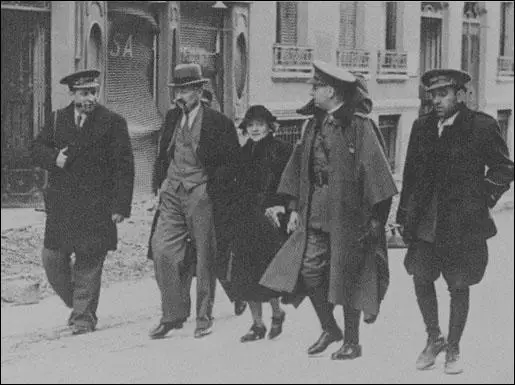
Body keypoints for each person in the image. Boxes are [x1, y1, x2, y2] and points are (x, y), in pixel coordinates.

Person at [263, 60, 397, 360]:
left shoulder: (359, 125)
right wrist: (295, 206)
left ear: (333, 91)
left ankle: (352, 341)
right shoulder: (313, 123)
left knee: (347, 274)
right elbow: (300, 167)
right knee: (310, 271)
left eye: (317, 86)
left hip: (350, 215)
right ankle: (329, 327)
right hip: (315, 211)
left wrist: (377, 221)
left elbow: (378, 174)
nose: (312, 90)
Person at [396, 69, 514, 375]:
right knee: (421, 277)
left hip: (462, 223)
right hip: (426, 221)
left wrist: (482, 198)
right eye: (433, 95)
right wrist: (403, 216)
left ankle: (454, 347)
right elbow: (410, 175)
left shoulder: (481, 126)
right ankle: (434, 337)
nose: (436, 100)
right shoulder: (422, 127)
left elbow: (504, 168)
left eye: (443, 94)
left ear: (460, 95)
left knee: (458, 285)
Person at [31, 69, 135, 335]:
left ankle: (83, 318)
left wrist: (120, 207)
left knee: (89, 261)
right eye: (83, 92)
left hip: (96, 205)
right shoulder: (57, 119)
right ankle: (79, 305)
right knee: (52, 258)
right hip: (63, 206)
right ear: (72, 94)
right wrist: (54, 157)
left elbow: (124, 167)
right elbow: (36, 148)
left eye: (93, 92)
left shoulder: (113, 122)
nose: (89, 97)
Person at [149, 63, 241, 340]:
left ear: (200, 91)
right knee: (162, 249)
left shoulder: (219, 122)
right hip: (172, 192)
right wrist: (161, 185)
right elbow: (164, 153)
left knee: (205, 256)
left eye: (186, 90)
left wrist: (214, 191)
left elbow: (232, 164)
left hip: (201, 193)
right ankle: (173, 315)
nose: (180, 95)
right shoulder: (171, 117)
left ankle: (203, 316)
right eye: (177, 89)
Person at [228, 105, 293, 342]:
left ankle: (277, 313)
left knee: (267, 270)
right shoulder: (243, 152)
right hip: (245, 219)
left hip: (270, 219)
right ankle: (257, 325)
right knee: (246, 273)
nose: (255, 129)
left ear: (269, 127)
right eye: (251, 125)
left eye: (260, 124)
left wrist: (283, 207)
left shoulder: (281, 151)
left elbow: (290, 183)